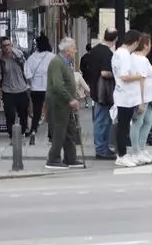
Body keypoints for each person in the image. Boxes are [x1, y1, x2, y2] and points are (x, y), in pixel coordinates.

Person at [45, 37, 85, 170]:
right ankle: (53, 159)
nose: (75, 51)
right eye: (74, 48)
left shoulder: (66, 62)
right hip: (59, 103)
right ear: (67, 50)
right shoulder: (57, 63)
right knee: (59, 131)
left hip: (66, 103)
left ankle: (70, 158)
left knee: (70, 131)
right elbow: (57, 85)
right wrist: (70, 99)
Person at [81, 30, 118, 159]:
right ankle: (102, 149)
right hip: (104, 92)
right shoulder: (108, 53)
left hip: (95, 89)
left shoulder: (94, 50)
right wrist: (117, 74)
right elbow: (105, 72)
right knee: (103, 120)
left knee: (100, 119)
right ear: (115, 39)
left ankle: (102, 147)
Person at [111, 30, 145, 168]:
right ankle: (122, 155)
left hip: (122, 94)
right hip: (126, 96)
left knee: (123, 126)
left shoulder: (118, 53)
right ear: (135, 42)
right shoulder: (125, 55)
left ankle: (122, 154)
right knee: (123, 127)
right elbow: (124, 76)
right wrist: (139, 76)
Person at [128, 34, 152, 165]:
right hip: (143, 97)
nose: (151, 45)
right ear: (146, 45)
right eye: (149, 43)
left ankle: (141, 148)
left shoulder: (140, 58)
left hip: (147, 97)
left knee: (149, 120)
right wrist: (140, 101)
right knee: (138, 122)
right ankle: (136, 151)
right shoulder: (140, 60)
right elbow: (140, 80)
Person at [0, 36, 31, 140]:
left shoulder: (18, 55)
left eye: (8, 45)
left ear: (12, 45)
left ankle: (22, 132)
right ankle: (12, 135)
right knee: (10, 114)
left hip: (22, 89)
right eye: (4, 46)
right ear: (1, 47)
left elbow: (25, 66)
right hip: (8, 91)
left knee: (23, 114)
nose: (7, 48)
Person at [23, 35, 55, 145]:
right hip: (49, 88)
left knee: (36, 112)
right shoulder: (52, 57)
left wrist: (32, 84)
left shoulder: (31, 58)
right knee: (50, 112)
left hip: (36, 89)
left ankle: (33, 131)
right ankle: (51, 136)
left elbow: (27, 74)